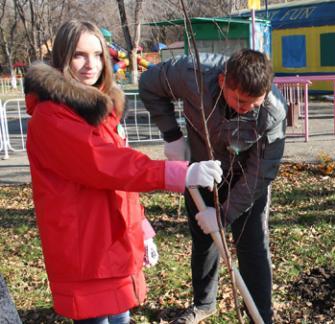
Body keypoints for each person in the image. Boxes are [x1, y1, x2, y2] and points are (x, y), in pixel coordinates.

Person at [24, 20, 222, 323]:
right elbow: (110, 165)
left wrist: (140, 229)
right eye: (79, 55)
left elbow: (120, 182)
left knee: (120, 317)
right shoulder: (53, 117)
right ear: (62, 58)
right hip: (87, 249)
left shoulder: (99, 109)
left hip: (113, 242)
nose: (90, 65)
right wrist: (180, 174)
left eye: (97, 55)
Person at [139, 49, 287, 323]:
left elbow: (262, 172)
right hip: (201, 170)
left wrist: (222, 215)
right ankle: (204, 303)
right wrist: (171, 135)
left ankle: (261, 316)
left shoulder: (274, 110)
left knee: (252, 245)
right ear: (222, 81)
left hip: (246, 179)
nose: (246, 108)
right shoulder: (191, 74)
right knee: (203, 241)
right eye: (240, 100)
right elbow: (148, 84)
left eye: (255, 104)